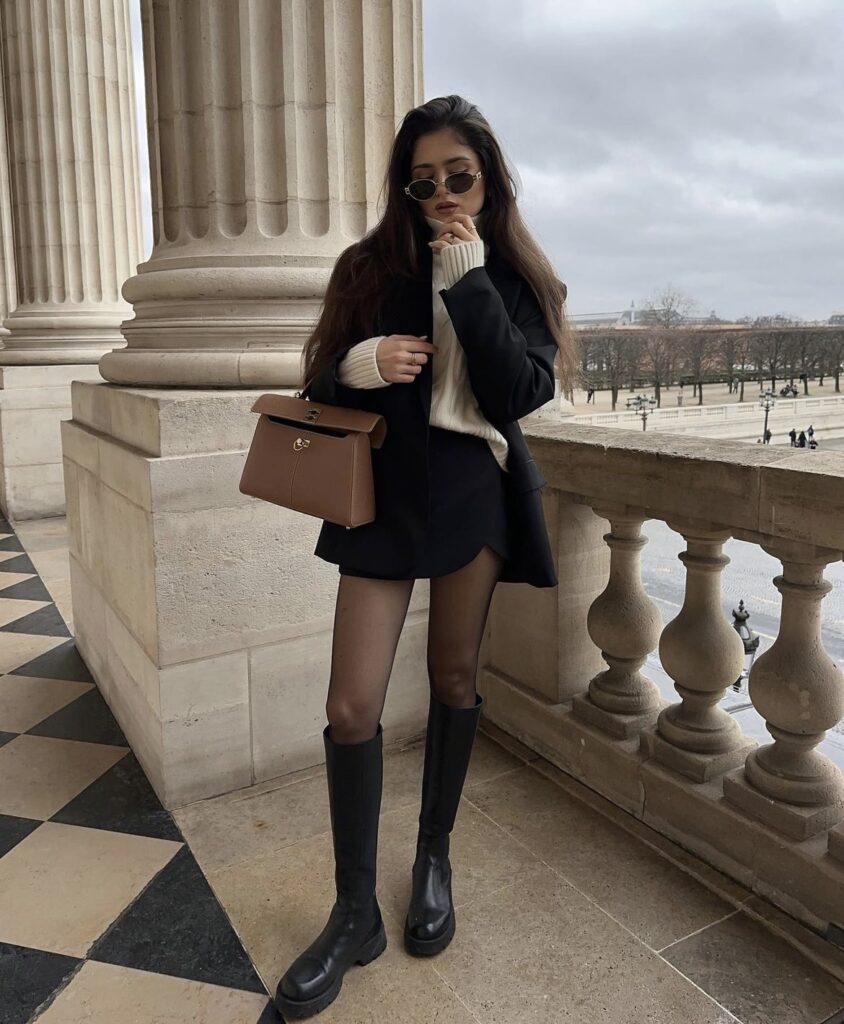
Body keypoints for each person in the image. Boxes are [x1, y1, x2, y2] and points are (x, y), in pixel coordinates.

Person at [276, 95, 577, 1020]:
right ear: (401, 186)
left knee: (453, 679)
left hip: (471, 492)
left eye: (459, 177)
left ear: (489, 179)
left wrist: (468, 275)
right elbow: (316, 381)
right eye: (423, 181)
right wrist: (359, 365)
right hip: (381, 495)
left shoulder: (515, 274)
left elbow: (520, 391)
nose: (441, 193)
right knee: (351, 703)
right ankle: (353, 908)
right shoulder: (366, 268)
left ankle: (434, 856)